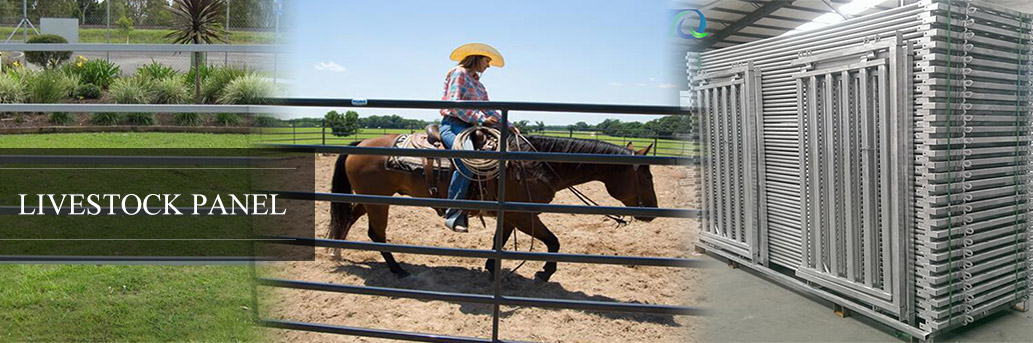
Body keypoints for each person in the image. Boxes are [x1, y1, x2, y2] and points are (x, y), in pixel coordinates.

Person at [438, 43, 518, 233]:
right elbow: (455, 104)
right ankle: (453, 213)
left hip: (470, 126)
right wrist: (481, 119)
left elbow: (489, 109)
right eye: (487, 61)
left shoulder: (479, 84)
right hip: (453, 125)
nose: (488, 66)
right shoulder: (459, 73)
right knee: (467, 159)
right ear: (477, 57)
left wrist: (508, 124)